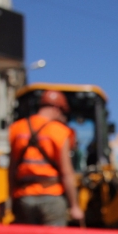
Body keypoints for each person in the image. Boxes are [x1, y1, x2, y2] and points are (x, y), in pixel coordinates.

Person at [8, 90, 83, 226]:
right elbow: (67, 173)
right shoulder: (60, 131)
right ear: (56, 109)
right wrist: (74, 206)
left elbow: (12, 169)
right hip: (52, 197)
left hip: (24, 197)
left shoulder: (16, 128)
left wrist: (11, 200)